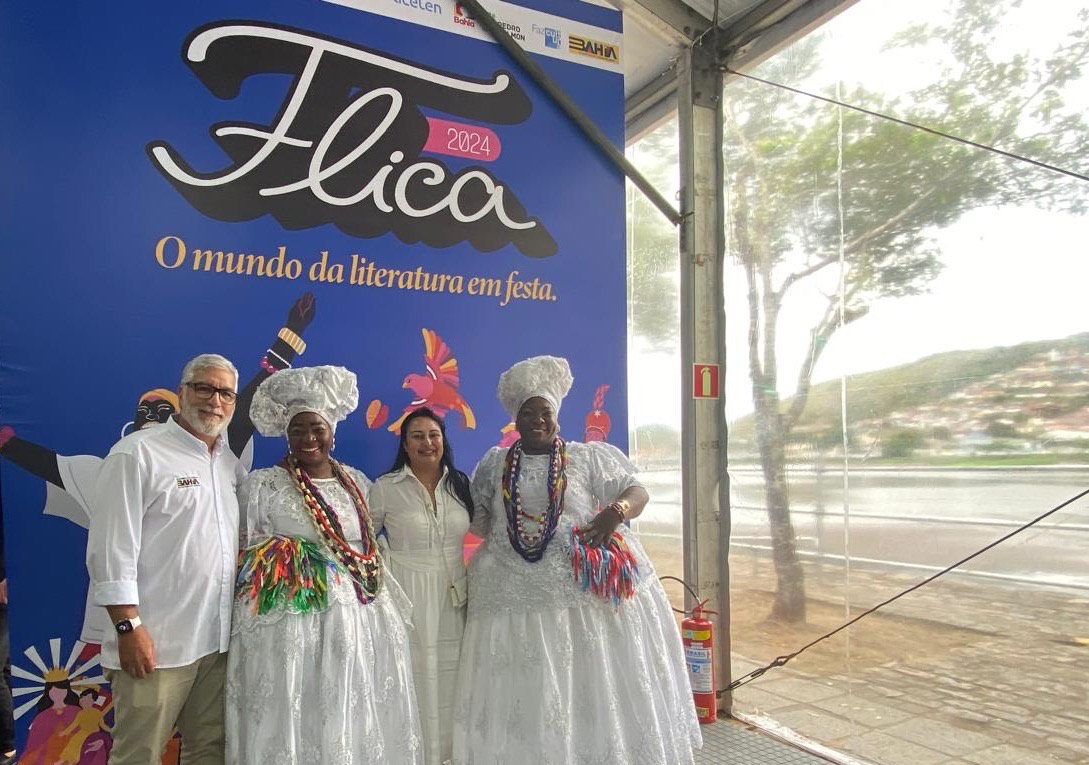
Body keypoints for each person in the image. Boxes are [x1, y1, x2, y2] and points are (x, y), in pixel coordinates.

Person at [452, 356, 702, 764]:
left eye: (544, 412)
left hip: (583, 592)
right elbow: (479, 521)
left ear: (557, 416)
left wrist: (615, 512)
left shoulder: (587, 456)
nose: (536, 420)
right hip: (507, 590)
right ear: (515, 419)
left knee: (589, 686)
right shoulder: (494, 465)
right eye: (527, 412)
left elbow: (636, 490)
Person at [227, 366, 421, 764]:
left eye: (316, 428)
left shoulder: (357, 480)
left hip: (360, 618)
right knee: (295, 701)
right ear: (287, 435)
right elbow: (246, 551)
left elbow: (371, 540)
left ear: (332, 431)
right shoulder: (263, 484)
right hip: (292, 621)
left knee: (350, 700)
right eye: (298, 430)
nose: (308, 438)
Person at [88, 353, 244, 765]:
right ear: (182, 392)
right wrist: (128, 628)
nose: (215, 401)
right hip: (154, 646)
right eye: (204, 388)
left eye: (226, 393)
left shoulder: (228, 464)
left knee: (208, 751)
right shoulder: (136, 454)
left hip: (215, 643)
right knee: (138, 755)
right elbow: (110, 550)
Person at [370, 407, 473, 765]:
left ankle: (450, 756)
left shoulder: (460, 483)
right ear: (405, 443)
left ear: (443, 440)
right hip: (408, 596)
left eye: (434, 435)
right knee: (414, 677)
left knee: (454, 677)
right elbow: (361, 537)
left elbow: (488, 529)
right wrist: (385, 569)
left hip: (456, 596)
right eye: (418, 436)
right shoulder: (386, 487)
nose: (427, 443)